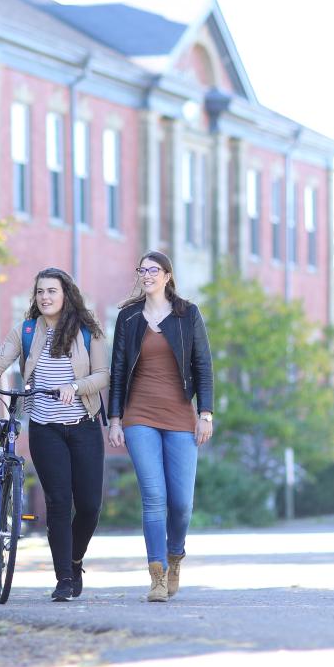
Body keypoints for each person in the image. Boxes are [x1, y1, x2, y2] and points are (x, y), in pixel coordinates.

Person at [0, 267, 108, 602]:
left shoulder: (86, 329)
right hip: (45, 429)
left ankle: (75, 560)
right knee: (58, 502)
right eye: (40, 291)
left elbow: (102, 375)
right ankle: (63, 579)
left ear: (65, 294)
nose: (45, 297)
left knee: (90, 505)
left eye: (52, 291)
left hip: (84, 426)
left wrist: (75, 386)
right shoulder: (26, 330)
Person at [107, 250, 214, 603]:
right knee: (154, 497)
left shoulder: (187, 314)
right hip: (139, 415)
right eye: (142, 270)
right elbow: (119, 369)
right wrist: (115, 418)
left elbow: (203, 367)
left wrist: (206, 413)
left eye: (154, 270)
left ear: (168, 275)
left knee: (181, 503)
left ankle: (175, 556)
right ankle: (156, 575)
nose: (147, 275)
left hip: (180, 415)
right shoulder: (128, 317)